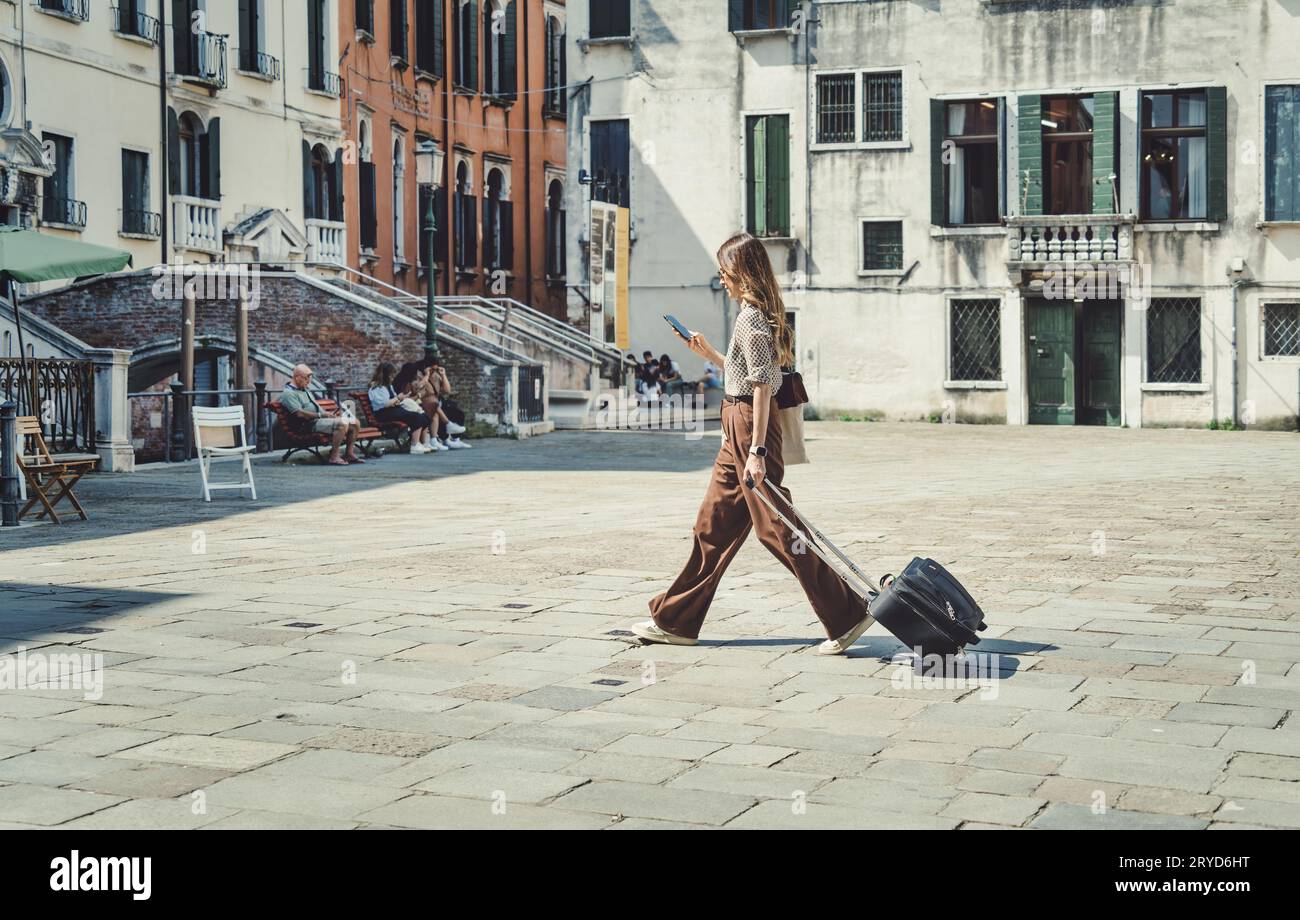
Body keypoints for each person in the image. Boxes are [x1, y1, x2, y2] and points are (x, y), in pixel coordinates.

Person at [631, 232, 872, 655]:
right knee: (712, 524)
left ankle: (847, 615)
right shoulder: (750, 316)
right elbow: (748, 374)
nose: (721, 279)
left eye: (725, 272)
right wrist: (711, 356)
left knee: (777, 528)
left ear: (742, 273)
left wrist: (758, 451)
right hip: (736, 424)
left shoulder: (752, 318)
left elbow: (763, 386)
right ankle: (676, 621)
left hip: (748, 427)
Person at [280, 364, 366, 466]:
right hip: (306, 426)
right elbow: (300, 414)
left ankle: (349, 454)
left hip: (317, 421)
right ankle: (334, 457)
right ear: (296, 377)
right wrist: (321, 415)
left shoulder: (304, 390)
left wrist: (329, 415)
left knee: (354, 422)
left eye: (309, 378)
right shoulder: (289, 393)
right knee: (342, 423)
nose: (308, 381)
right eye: (306, 378)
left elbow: (315, 407)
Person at [368, 361, 435, 454]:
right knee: (416, 417)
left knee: (424, 417)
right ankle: (414, 445)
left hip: (393, 409)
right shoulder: (376, 388)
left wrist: (403, 397)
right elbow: (385, 404)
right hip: (383, 413)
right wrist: (398, 398)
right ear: (385, 375)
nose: (392, 378)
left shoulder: (389, 386)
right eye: (391, 375)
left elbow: (395, 400)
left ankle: (418, 443)